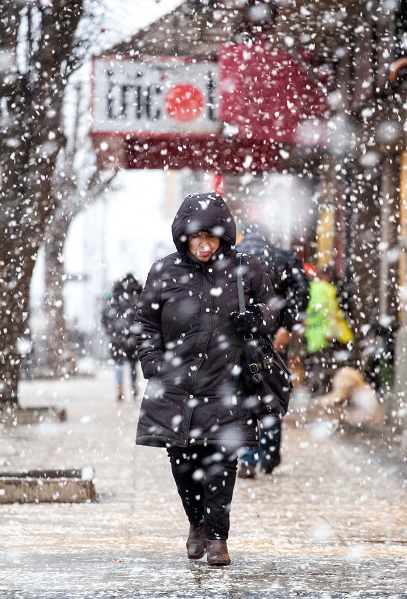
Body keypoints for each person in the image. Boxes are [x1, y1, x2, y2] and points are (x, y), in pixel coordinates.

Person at [133, 192, 279, 567]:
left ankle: (217, 538)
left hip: (226, 384)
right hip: (176, 387)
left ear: (223, 236)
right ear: (184, 236)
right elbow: (145, 323)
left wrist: (257, 319)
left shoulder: (245, 269)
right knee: (182, 463)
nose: (203, 244)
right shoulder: (164, 272)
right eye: (196, 236)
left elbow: (272, 308)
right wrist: (153, 362)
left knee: (221, 462)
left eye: (211, 237)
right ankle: (196, 523)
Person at [235, 222, 309, 478]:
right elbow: (302, 291)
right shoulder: (284, 257)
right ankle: (268, 454)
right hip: (273, 333)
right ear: (268, 236)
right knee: (271, 390)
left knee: (243, 392)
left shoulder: (232, 257)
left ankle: (247, 456)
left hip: (240, 334)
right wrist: (286, 326)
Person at [305, 267, 354, 394]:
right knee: (323, 365)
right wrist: (330, 332)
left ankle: (314, 391)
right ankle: (317, 391)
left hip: (314, 333)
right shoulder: (327, 290)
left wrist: (307, 323)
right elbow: (329, 313)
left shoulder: (312, 288)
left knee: (318, 364)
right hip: (324, 333)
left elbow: (310, 312)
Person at [102, 273, 142, 401]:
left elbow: (105, 315)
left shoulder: (114, 295)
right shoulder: (138, 295)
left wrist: (110, 330)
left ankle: (119, 387)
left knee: (119, 363)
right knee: (133, 364)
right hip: (133, 336)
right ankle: (134, 387)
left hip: (117, 336)